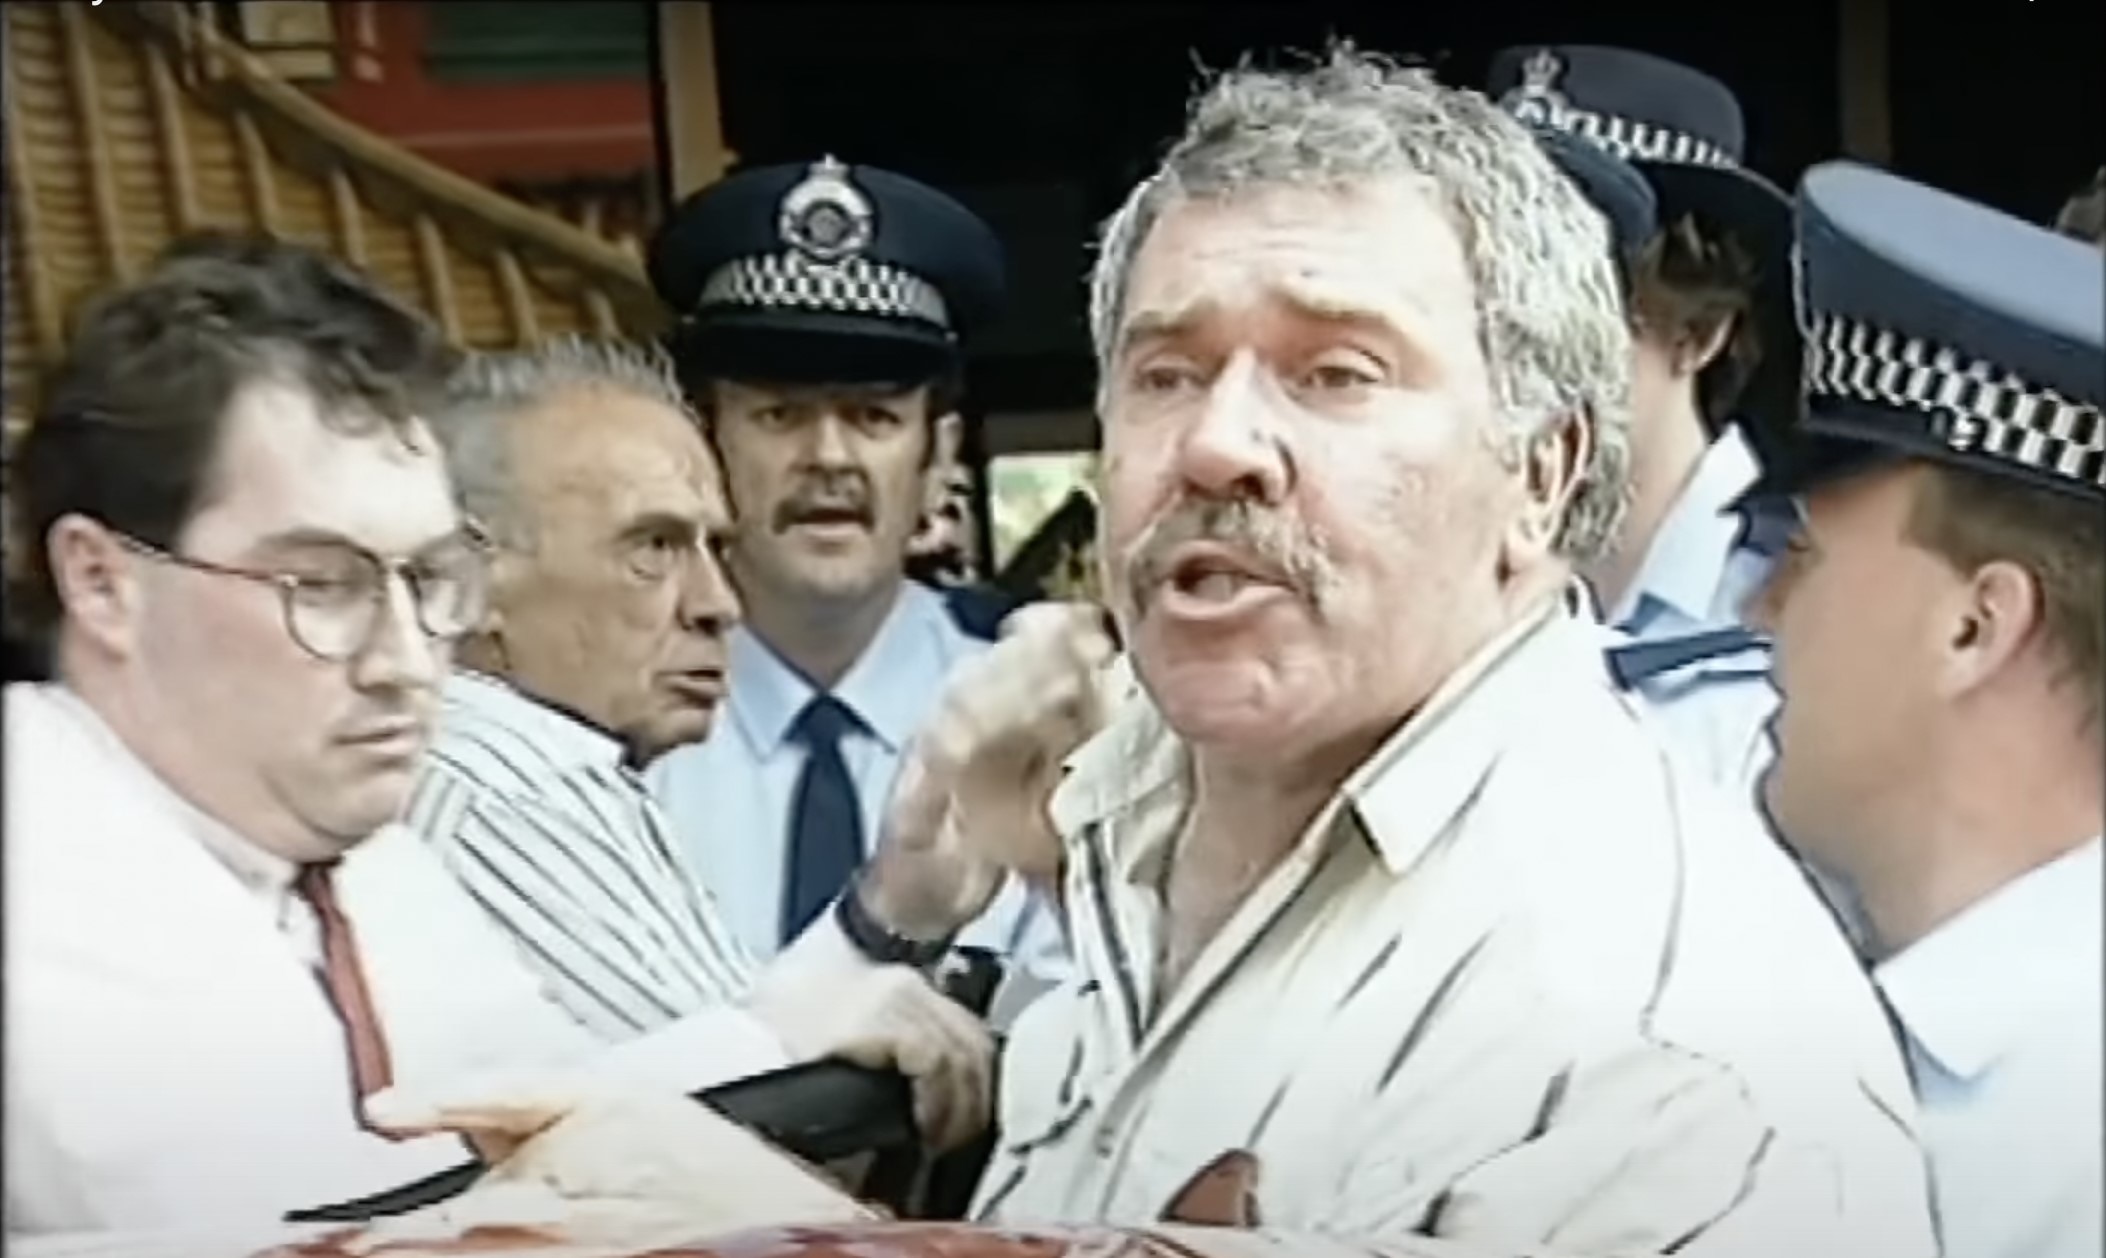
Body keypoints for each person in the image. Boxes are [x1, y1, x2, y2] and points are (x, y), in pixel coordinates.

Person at [370, 49, 1939, 1257]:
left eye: (1335, 371)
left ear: (1540, 472)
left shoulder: (1676, 1045)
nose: (1218, 443)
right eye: (1166, 370)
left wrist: (774, 1233)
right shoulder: (1119, 815)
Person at [1, 237, 985, 1241]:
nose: (405, 659)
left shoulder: (365, 863)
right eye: (323, 583)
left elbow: (549, 1111)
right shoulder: (41, 865)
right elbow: (302, 1218)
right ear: (103, 582)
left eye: (430, 580)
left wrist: (795, 1019)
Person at [404, 335, 996, 1091]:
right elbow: (752, 1114)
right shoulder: (518, 780)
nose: (718, 605)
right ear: (468, 577)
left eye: (716, 548)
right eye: (654, 547)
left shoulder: (474, 763)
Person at [1745, 161, 2104, 1258]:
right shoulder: (1941, 1048)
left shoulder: (2066, 1127)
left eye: (1804, 556)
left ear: (1973, 629)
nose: (1760, 610)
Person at [641, 157, 1056, 979]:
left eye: (873, 416)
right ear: (703, 444)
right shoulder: (624, 732)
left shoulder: (1033, 717)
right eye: (779, 414)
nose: (828, 457)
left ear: (937, 456)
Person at [1488, 46, 1799, 790]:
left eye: (1574, 323)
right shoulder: (1444, 578)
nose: (1508, 361)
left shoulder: (1804, 610)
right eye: (1486, 311)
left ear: (1698, 333)